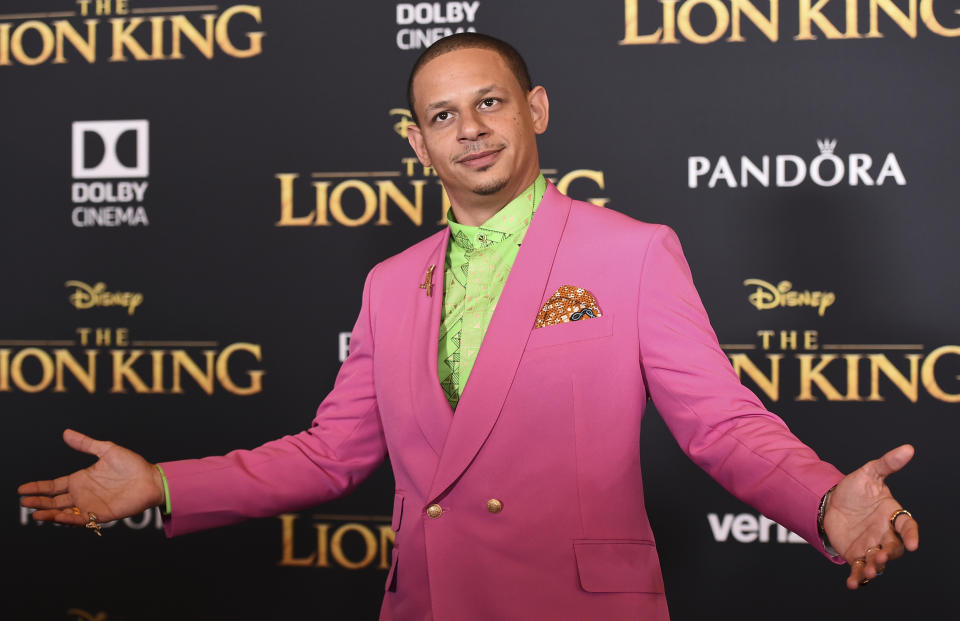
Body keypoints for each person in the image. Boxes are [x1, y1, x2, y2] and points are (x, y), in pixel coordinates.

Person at [19, 33, 918, 621]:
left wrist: (820, 497)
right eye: (442, 115)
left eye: (490, 102)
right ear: (418, 145)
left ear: (536, 110)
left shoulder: (633, 252)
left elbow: (720, 423)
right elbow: (332, 453)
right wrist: (167, 483)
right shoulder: (388, 281)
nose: (470, 130)